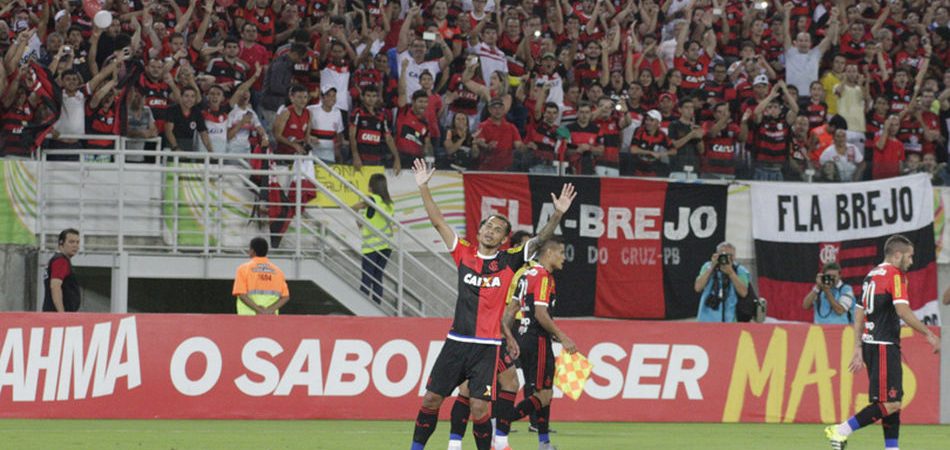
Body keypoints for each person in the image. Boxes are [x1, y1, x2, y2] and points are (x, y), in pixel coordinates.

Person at [409, 158, 575, 450]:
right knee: (431, 399)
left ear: (504, 239)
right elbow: (438, 221)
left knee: (479, 409)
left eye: (498, 229)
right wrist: (423, 186)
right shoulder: (464, 253)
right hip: (456, 341)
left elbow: (541, 239)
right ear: (479, 230)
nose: (490, 230)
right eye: (488, 225)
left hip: (486, 348)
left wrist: (558, 214)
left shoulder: (510, 260)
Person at [825, 235, 940, 450]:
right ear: (898, 255)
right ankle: (841, 430)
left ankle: (892, 448)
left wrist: (858, 346)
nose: (911, 261)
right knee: (891, 402)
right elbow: (902, 310)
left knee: (891, 401)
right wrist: (928, 333)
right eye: (910, 256)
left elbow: (859, 312)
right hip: (883, 345)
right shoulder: (895, 275)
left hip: (871, 344)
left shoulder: (871, 275)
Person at [497, 238, 577, 450]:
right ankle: (500, 425)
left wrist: (508, 335)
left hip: (522, 336)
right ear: (549, 253)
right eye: (561, 253)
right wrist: (562, 336)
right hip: (536, 340)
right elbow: (541, 314)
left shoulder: (525, 274)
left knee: (543, 392)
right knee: (544, 394)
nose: (564, 258)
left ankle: (544, 443)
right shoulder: (543, 276)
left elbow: (511, 309)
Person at [352, 174, 395, 305]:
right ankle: (377, 306)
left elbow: (354, 207)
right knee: (377, 278)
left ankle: (362, 308)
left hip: (372, 247)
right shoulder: (389, 203)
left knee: (367, 278)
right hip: (386, 247)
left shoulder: (371, 199)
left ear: (371, 186)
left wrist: (358, 218)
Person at [232, 237, 290, 315]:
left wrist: (259, 311)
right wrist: (269, 310)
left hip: (247, 317)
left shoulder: (243, 269)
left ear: (252, 251)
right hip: (271, 318)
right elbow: (285, 297)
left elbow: (241, 294)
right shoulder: (278, 271)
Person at [694, 242, 750, 322]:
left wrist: (731, 272)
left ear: (735, 256)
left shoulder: (740, 271)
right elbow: (698, 287)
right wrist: (712, 267)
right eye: (723, 255)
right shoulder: (708, 267)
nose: (726, 258)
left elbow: (743, 292)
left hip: (730, 320)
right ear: (716, 255)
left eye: (730, 255)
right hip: (706, 320)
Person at [43, 228, 81, 312]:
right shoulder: (61, 261)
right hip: (57, 316)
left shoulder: (56, 259)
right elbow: (55, 286)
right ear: (61, 244)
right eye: (71, 242)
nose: (75, 245)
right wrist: (62, 314)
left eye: (77, 242)